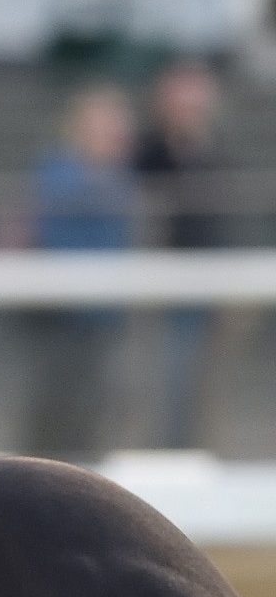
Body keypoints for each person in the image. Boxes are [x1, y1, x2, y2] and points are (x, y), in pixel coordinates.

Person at [22, 85, 140, 461]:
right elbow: (54, 230)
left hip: (104, 317)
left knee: (98, 411)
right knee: (55, 410)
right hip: (61, 315)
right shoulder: (60, 173)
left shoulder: (121, 177)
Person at [134, 58, 228, 448]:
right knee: (160, 378)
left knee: (199, 383)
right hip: (159, 285)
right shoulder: (147, 150)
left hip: (205, 282)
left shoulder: (215, 151)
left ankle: (190, 447)